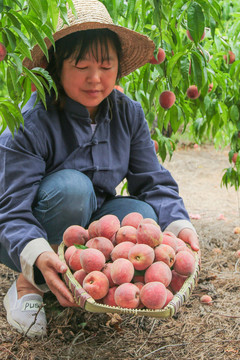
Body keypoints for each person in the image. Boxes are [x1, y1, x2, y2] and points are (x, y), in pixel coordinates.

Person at [0, 0, 199, 337]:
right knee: (73, 190)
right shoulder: (33, 120)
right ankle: (29, 282)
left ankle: (86, 280)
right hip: (29, 226)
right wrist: (33, 252)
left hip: (89, 224)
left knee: (141, 212)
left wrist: (179, 226)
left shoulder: (127, 113)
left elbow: (153, 182)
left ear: (119, 69)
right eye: (81, 66)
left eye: (106, 66)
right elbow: (11, 208)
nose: (96, 79)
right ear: (56, 68)